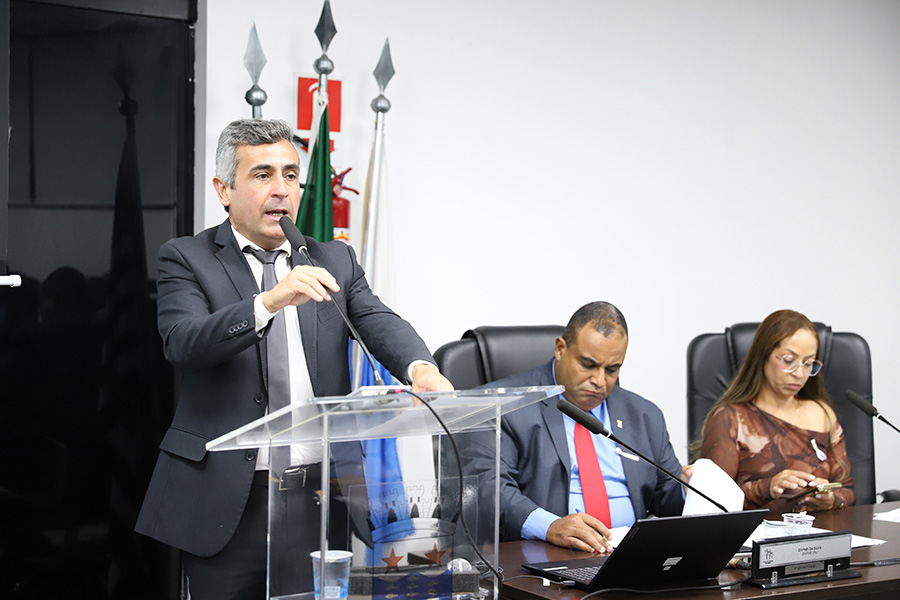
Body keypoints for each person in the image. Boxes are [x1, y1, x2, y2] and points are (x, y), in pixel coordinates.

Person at [134, 119, 452, 600]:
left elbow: (377, 319)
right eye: (262, 175)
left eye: (290, 174)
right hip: (227, 499)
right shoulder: (186, 257)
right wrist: (268, 302)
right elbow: (183, 342)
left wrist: (420, 367)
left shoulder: (333, 259)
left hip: (320, 495)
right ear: (224, 190)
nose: (281, 189)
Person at [465, 301, 689, 554]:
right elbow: (488, 490)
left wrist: (686, 489)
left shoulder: (644, 415)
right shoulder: (499, 407)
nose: (599, 381)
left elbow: (666, 498)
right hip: (546, 556)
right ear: (560, 349)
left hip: (629, 557)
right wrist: (550, 527)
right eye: (588, 365)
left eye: (612, 370)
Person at [700, 309, 855, 515]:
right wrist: (767, 487)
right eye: (789, 361)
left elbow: (848, 491)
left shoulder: (822, 413)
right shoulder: (731, 418)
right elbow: (712, 501)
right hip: (756, 533)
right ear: (763, 356)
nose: (799, 374)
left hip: (817, 531)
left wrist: (831, 500)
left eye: (808, 364)